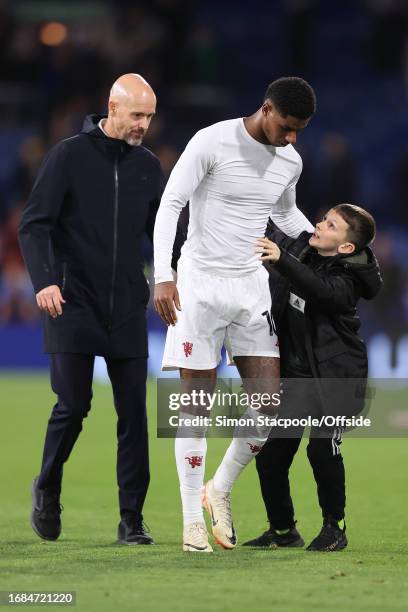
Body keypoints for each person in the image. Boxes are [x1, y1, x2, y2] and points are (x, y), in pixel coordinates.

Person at [153, 77, 317, 552]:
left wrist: (323, 249)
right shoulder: (212, 140)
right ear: (266, 109)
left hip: (251, 287)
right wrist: (163, 275)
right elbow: (171, 203)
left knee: (267, 404)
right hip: (200, 286)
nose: (291, 138)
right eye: (287, 127)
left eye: (299, 131)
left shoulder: (290, 160)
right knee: (196, 407)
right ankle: (190, 522)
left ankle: (218, 489)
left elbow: (284, 215)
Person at [19, 73, 163, 545]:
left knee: (134, 415)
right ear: (113, 108)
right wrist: (44, 283)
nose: (144, 124)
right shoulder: (67, 156)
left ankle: (132, 519)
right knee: (74, 405)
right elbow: (34, 226)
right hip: (71, 303)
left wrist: (169, 277)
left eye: (150, 116)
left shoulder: (147, 166)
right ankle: (47, 486)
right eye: (138, 115)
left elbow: (163, 237)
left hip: (125, 307)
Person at [243, 204, 382, 551]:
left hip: (336, 378)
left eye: (330, 225)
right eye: (323, 218)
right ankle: (283, 531)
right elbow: (266, 229)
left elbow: (323, 292)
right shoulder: (302, 247)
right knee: (272, 455)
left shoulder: (350, 278)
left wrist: (282, 260)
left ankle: (335, 528)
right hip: (298, 377)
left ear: (347, 247)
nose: (319, 225)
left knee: (322, 450)